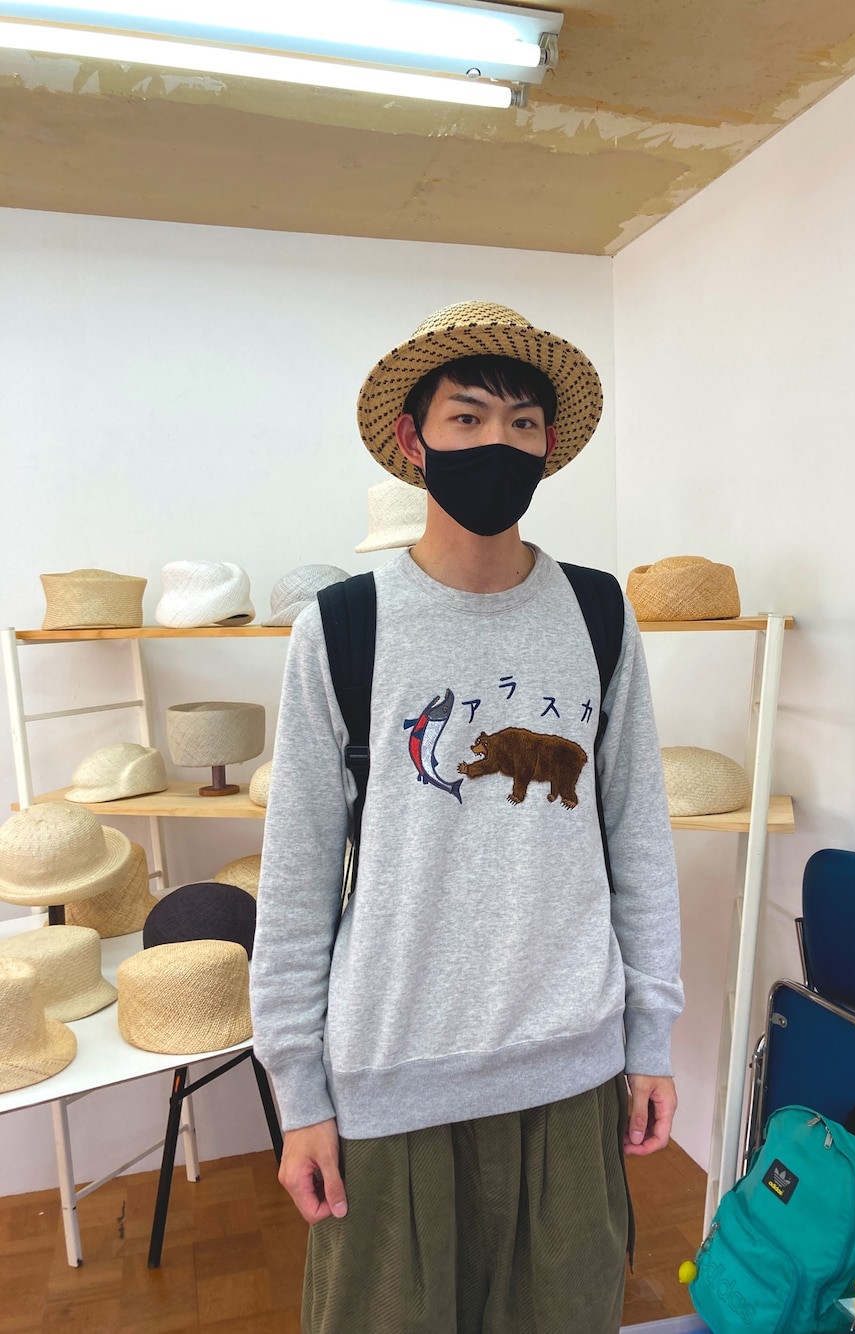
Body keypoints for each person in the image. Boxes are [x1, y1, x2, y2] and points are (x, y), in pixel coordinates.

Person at [250, 300, 684, 1334]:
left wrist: (651, 1038)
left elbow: (638, 837)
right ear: (415, 440)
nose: (497, 441)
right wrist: (299, 1094)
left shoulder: (598, 614)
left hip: (570, 1065)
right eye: (468, 416)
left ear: (547, 448)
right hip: (392, 1075)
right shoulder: (342, 629)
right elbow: (297, 877)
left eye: (522, 423)